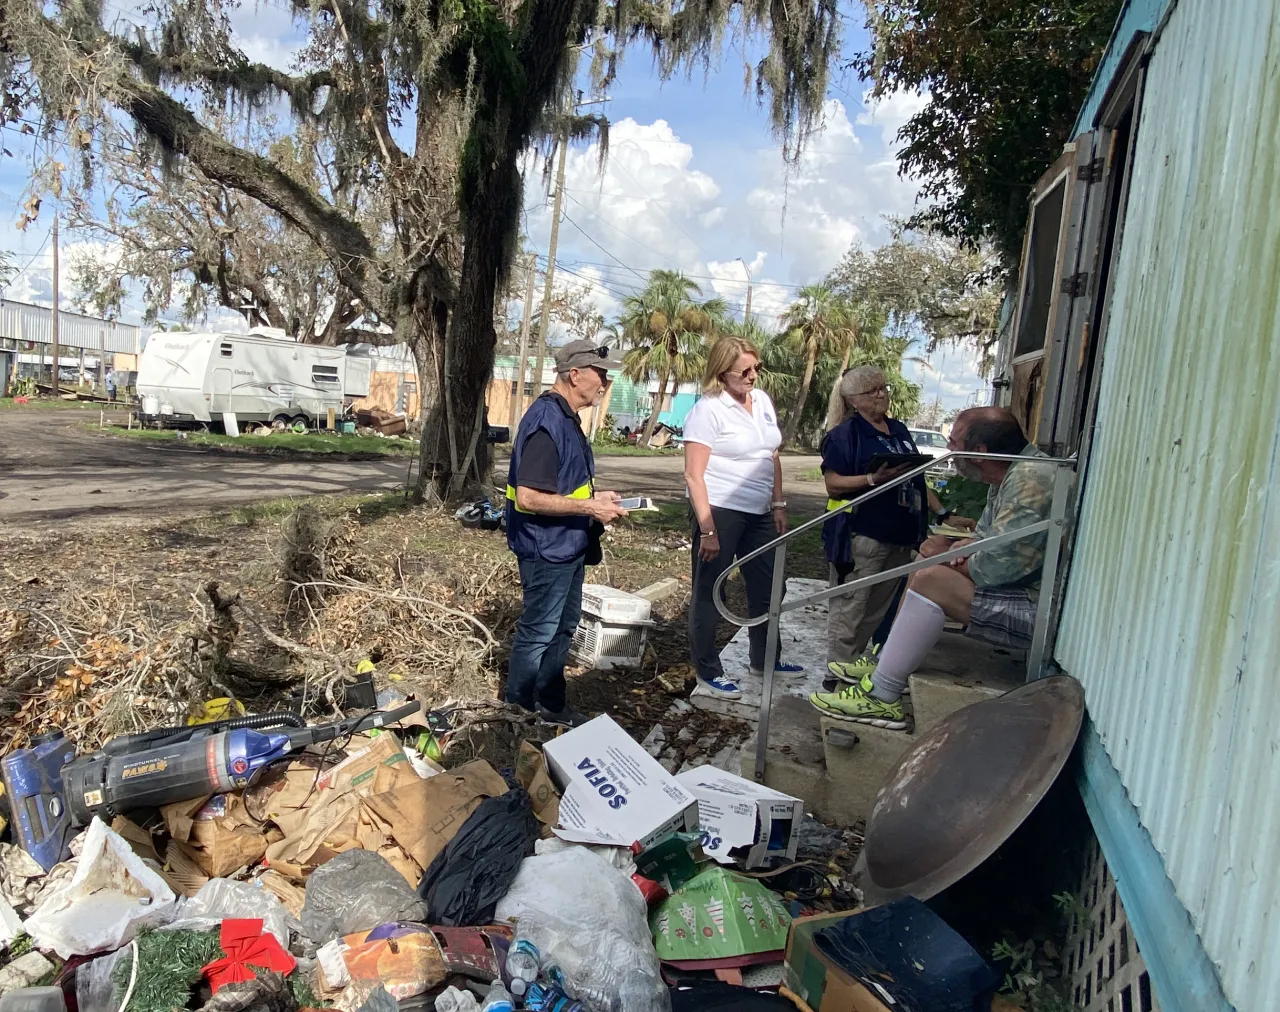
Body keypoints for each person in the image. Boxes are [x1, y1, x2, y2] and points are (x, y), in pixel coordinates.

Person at [810, 407, 1055, 729]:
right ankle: (884, 662)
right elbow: (984, 541)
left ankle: (882, 697)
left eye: (955, 443)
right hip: (1021, 591)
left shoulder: (1031, 481)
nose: (950, 451)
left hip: (1039, 612)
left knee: (932, 578)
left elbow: (996, 569)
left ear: (979, 452)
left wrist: (952, 557)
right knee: (929, 556)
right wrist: (953, 548)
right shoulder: (1009, 473)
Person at [504, 339, 628, 727]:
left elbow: (560, 485)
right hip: (546, 550)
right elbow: (528, 497)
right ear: (575, 375)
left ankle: (552, 705)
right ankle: (517, 714)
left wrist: (595, 496)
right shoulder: (547, 421)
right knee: (540, 631)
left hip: (568, 546)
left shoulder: (567, 418)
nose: (605, 383)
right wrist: (590, 507)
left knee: (563, 628)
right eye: (600, 374)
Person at [683, 335, 801, 700]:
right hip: (720, 510)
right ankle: (708, 670)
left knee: (770, 587)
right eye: (744, 371)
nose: (752, 376)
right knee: (710, 590)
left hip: (760, 512)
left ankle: (765, 658)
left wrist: (778, 504)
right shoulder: (708, 410)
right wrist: (708, 529)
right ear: (722, 374)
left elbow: (772, 455)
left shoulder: (762, 401)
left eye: (756, 369)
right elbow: (693, 475)